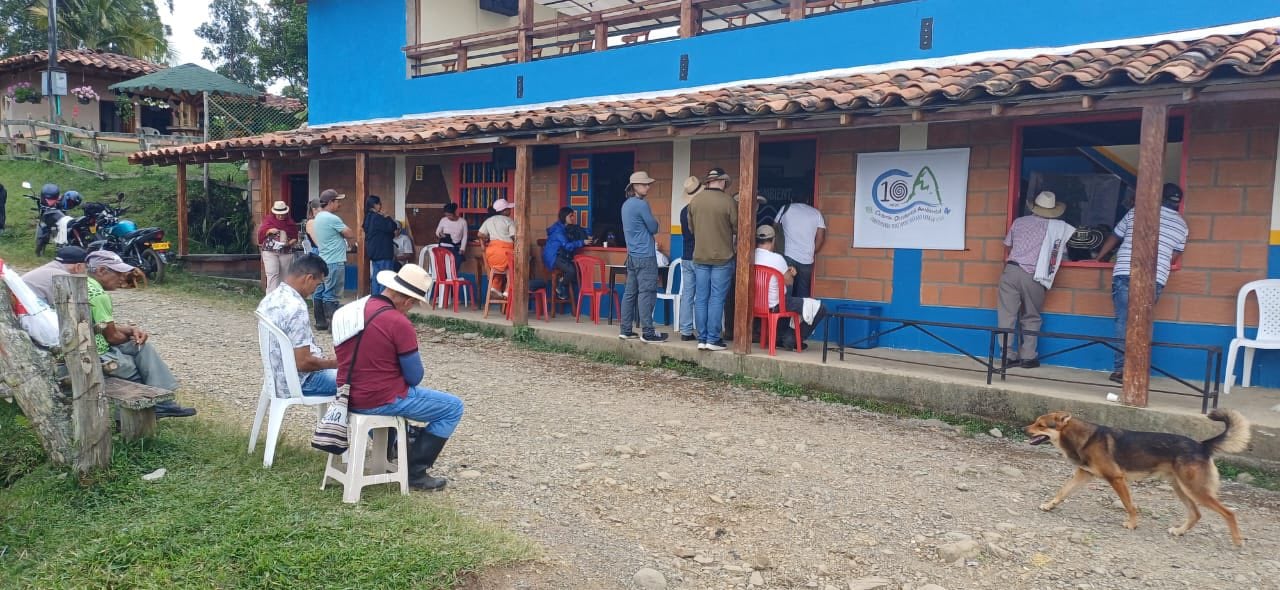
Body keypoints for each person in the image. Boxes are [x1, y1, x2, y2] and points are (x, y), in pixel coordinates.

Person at [334, 264, 463, 491]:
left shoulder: (351, 309)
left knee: (405, 401)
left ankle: (398, 444)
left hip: (346, 394)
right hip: (378, 399)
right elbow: (415, 377)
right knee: (453, 407)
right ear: (408, 301)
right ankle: (415, 471)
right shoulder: (398, 322)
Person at [1095, 183, 1189, 383]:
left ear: (1157, 196)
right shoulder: (1182, 225)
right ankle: (1137, 369)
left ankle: (1121, 369)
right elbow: (1173, 257)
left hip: (1125, 273)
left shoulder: (1136, 213)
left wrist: (1100, 257)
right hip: (1155, 278)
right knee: (1142, 323)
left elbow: (1115, 236)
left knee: (1124, 321)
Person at [86, 251, 196, 418]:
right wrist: (129, 337)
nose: (123, 279)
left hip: (84, 344)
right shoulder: (99, 296)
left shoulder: (84, 285)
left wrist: (128, 331)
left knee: (142, 349)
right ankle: (143, 412)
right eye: (118, 274)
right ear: (101, 271)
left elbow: (100, 326)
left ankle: (162, 403)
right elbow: (112, 337)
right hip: (97, 353)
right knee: (138, 364)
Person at [997, 191, 1074, 368]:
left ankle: (1007, 356)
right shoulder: (1057, 228)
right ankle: (1028, 357)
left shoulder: (1019, 222)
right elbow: (1061, 255)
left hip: (1011, 270)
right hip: (1034, 276)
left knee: (1006, 315)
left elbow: (1008, 245)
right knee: (1031, 316)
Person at [256, 254, 339, 397]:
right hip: (299, 382)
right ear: (308, 278)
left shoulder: (271, 297)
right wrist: (333, 363)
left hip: (276, 379)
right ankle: (340, 419)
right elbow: (303, 363)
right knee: (360, 381)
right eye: (318, 284)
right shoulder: (296, 307)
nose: (316, 290)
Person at [686, 167, 737, 351]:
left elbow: (691, 229)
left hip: (699, 256)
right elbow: (738, 227)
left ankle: (702, 338)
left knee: (701, 298)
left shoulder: (695, 202)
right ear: (723, 182)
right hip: (722, 258)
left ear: (708, 182)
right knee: (716, 299)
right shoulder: (728, 201)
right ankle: (713, 339)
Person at [753, 225, 827, 350]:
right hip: (775, 305)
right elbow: (789, 282)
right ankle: (790, 339)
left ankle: (779, 337)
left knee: (787, 299)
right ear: (773, 241)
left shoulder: (750, 256)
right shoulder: (777, 259)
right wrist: (791, 273)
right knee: (820, 308)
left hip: (756, 304)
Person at [618, 171, 666, 343]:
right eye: (645, 184)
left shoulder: (625, 205)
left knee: (629, 293)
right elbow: (654, 227)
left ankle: (625, 329)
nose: (648, 187)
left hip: (631, 255)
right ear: (636, 186)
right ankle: (647, 332)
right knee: (647, 293)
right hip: (646, 256)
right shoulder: (641, 204)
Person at [312, 189, 354, 331]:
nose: (339, 204)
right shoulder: (332, 218)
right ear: (330, 202)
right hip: (335, 260)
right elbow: (349, 233)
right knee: (332, 293)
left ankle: (320, 321)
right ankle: (333, 325)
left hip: (323, 259)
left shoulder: (318, 218)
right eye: (337, 201)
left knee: (320, 291)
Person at [775, 198, 826, 298]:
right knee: (803, 292)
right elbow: (821, 238)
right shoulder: (816, 213)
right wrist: (811, 251)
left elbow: (774, 229)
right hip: (807, 259)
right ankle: (801, 313)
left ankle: (785, 312)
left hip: (788, 255)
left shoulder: (786, 208)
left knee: (786, 289)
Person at [543, 207, 593, 299]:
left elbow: (578, 231)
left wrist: (587, 235)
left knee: (575, 270)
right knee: (572, 271)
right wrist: (582, 242)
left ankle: (562, 283)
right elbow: (567, 246)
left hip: (559, 256)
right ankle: (560, 286)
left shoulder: (563, 227)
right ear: (564, 217)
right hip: (553, 257)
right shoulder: (558, 230)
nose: (573, 218)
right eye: (571, 216)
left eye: (573, 216)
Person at [677, 176, 702, 342]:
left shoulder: (683, 211)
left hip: (686, 256)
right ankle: (702, 331)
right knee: (701, 296)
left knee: (687, 294)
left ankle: (685, 331)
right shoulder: (700, 210)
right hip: (700, 256)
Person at [21, 246, 88, 305]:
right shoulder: (65, 277)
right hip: (31, 307)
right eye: (85, 266)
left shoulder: (50, 267)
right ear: (78, 267)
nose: (86, 270)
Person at [257, 200, 299, 293]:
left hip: (286, 252)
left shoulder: (290, 223)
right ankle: (271, 300)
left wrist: (288, 244)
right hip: (270, 252)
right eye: (278, 214)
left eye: (282, 214)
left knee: (284, 277)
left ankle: (282, 299)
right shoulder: (268, 220)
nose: (280, 216)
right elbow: (261, 233)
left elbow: (295, 238)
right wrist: (269, 231)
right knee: (272, 274)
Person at [478, 198, 517, 296]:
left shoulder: (489, 220)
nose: (510, 210)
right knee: (514, 268)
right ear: (504, 211)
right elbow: (514, 236)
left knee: (498, 270)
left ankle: (495, 287)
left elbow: (480, 234)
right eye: (508, 208)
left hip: (491, 254)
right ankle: (508, 290)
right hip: (505, 252)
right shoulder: (509, 220)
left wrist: (489, 237)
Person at [363, 195, 399, 296]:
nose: (380, 206)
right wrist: (387, 217)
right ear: (375, 205)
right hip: (383, 252)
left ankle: (375, 298)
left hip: (374, 253)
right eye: (379, 204)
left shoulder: (367, 218)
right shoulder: (378, 218)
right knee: (385, 278)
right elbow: (392, 227)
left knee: (376, 277)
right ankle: (383, 299)